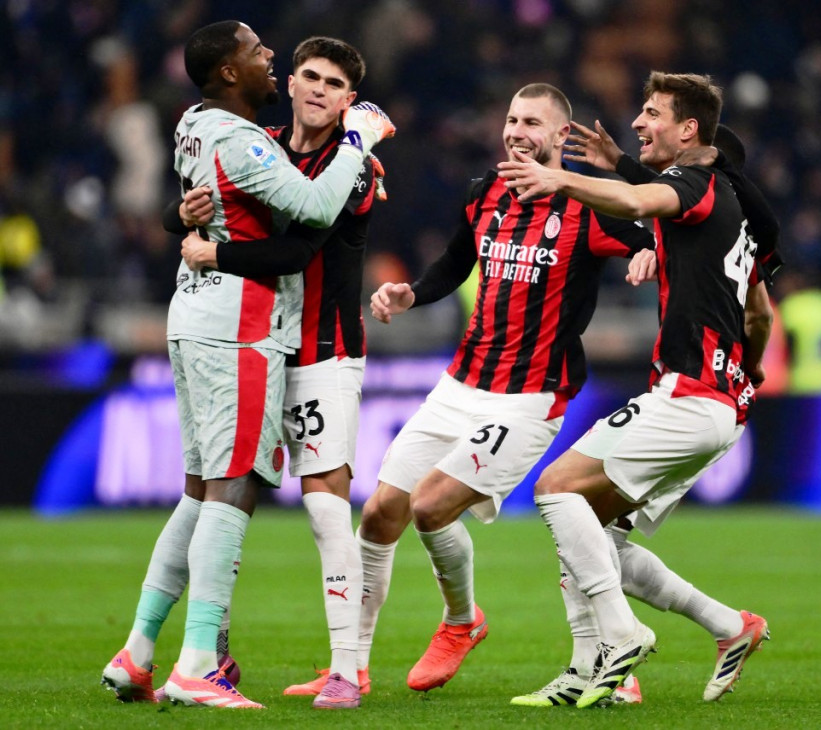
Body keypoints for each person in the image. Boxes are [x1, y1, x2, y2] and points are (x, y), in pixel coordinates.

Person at [100, 20, 393, 710]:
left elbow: (239, 218)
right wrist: (361, 136)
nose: (271, 60)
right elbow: (306, 215)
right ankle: (198, 661)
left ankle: (139, 650)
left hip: (223, 320)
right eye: (263, 55)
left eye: (334, 83)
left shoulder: (193, 124)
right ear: (237, 74)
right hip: (241, 328)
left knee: (202, 490)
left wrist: (184, 226)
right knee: (232, 488)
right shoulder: (255, 143)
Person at [360, 82, 654, 695]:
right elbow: (455, 264)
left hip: (530, 395)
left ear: (558, 137)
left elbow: (650, 229)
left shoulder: (587, 207)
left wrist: (648, 252)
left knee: (431, 504)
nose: (517, 131)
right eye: (512, 119)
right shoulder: (483, 193)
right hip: (460, 381)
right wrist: (411, 292)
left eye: (532, 123)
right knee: (381, 510)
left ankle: (460, 623)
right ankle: (349, 666)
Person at [497, 71, 770, 708]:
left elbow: (643, 203)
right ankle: (724, 629)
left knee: (555, 489)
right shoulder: (730, 208)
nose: (640, 123)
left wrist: (561, 179)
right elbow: (759, 314)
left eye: (652, 114)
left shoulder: (694, 185)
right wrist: (749, 375)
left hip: (687, 394)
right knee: (592, 532)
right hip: (719, 405)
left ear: (689, 130)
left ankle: (619, 638)